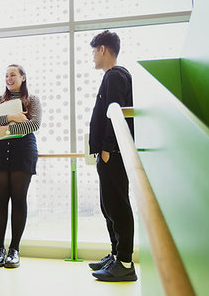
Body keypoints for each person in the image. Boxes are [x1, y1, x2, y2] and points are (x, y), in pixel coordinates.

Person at [88, 30, 137, 282]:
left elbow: (114, 114)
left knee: (117, 206)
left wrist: (107, 148)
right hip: (109, 153)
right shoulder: (112, 76)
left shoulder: (115, 76)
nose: (93, 57)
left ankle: (125, 263)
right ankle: (116, 255)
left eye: (94, 51)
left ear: (103, 49)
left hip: (113, 153)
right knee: (108, 207)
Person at [0, 64, 42, 268]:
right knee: (0, 199)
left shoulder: (32, 100)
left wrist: (5, 130)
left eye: (13, 74)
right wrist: (12, 117)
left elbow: (34, 124)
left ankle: (14, 249)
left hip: (23, 151)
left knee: (18, 199)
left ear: (23, 77)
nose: (9, 78)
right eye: (6, 75)